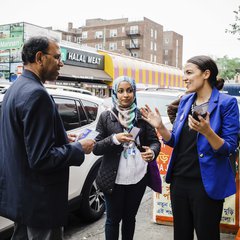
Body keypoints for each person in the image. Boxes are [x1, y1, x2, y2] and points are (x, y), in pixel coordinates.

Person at [0, 36, 95, 240]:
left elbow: (22, 141)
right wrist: (78, 147)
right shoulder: (36, 94)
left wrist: (61, 139)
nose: (61, 63)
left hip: (23, 200)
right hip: (40, 204)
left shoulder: (15, 89)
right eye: (58, 57)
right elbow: (42, 158)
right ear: (40, 57)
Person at [140, 55, 239, 240]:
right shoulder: (185, 101)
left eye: (189, 72)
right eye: (183, 73)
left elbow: (230, 148)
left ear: (206, 74)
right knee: (181, 235)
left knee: (207, 235)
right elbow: (175, 141)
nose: (184, 77)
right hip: (179, 181)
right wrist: (160, 127)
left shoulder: (227, 104)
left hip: (206, 184)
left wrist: (208, 132)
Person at [93, 76, 161, 240]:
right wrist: (115, 139)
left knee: (130, 219)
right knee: (113, 220)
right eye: (121, 91)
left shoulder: (142, 116)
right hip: (113, 179)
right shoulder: (106, 117)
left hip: (138, 178)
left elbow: (154, 142)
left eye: (129, 90)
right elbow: (95, 147)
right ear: (115, 93)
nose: (125, 95)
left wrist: (152, 152)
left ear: (134, 92)